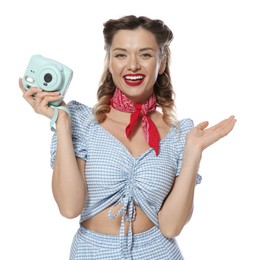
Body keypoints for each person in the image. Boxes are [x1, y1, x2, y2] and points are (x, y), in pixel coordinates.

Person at [19, 15, 236, 260]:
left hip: (159, 252)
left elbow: (171, 227)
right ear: (110, 61)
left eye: (145, 54)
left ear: (161, 62)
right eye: (121, 54)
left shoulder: (179, 135)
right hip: (92, 252)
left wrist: (194, 151)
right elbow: (69, 207)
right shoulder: (82, 123)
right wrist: (61, 121)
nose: (132, 65)